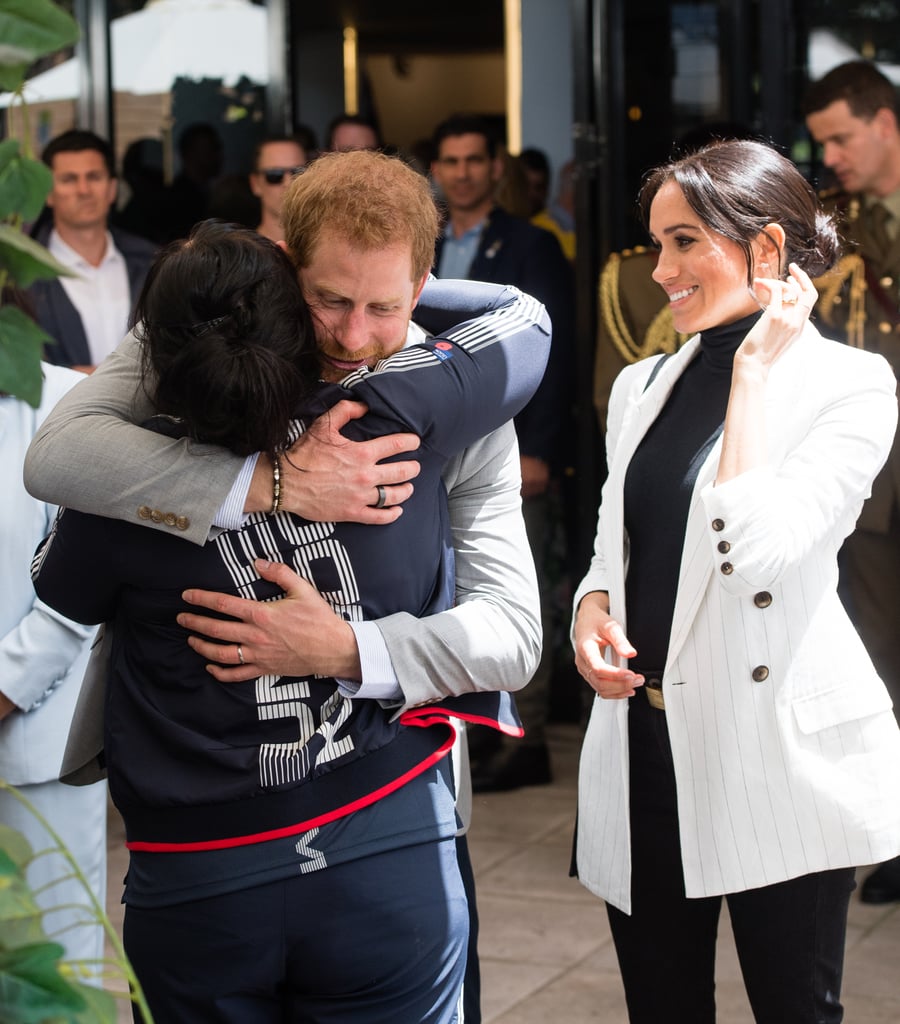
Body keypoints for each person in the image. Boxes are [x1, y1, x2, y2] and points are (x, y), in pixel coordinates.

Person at [24, 150, 547, 1024]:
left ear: (425, 281)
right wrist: (272, 484)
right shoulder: (195, 359)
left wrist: (348, 649)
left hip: (386, 821)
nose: (351, 334)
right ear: (281, 263)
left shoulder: (464, 399)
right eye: (329, 300)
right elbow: (57, 456)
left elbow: (514, 636)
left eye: (385, 305)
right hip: (202, 840)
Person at [571, 139, 900, 1023]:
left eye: (685, 242)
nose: (661, 268)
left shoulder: (852, 386)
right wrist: (589, 611)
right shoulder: (643, 385)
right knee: (662, 1008)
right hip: (645, 749)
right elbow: (613, 550)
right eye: (657, 244)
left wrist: (751, 375)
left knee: (795, 1009)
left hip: (770, 751)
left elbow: (757, 552)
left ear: (765, 250)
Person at [431, 113, 575, 792]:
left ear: (495, 168)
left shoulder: (530, 244)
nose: (460, 171)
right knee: (452, 591)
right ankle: (476, 727)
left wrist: (539, 450)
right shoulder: (419, 241)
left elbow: (554, 353)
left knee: (513, 588)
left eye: (472, 160)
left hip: (510, 447)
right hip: (435, 447)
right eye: (449, 160)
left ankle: (529, 736)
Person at [804, 59, 900, 905]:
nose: (829, 154)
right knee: (881, 657)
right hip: (875, 487)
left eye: (840, 136)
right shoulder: (841, 230)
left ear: (886, 124)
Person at [0, 353, 106, 978]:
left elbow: (79, 587)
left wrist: (6, 687)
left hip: (34, 749)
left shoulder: (65, 401)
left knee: (55, 975)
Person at [27, 129, 157, 372]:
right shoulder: (19, 275)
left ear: (112, 189)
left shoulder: (154, 262)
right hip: (59, 410)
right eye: (69, 179)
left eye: (94, 177)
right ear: (48, 193)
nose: (84, 190)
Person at [248, 135, 309, 242]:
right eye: (274, 175)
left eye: (298, 172)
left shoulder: (324, 251)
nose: (288, 183)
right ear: (255, 184)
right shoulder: (244, 254)